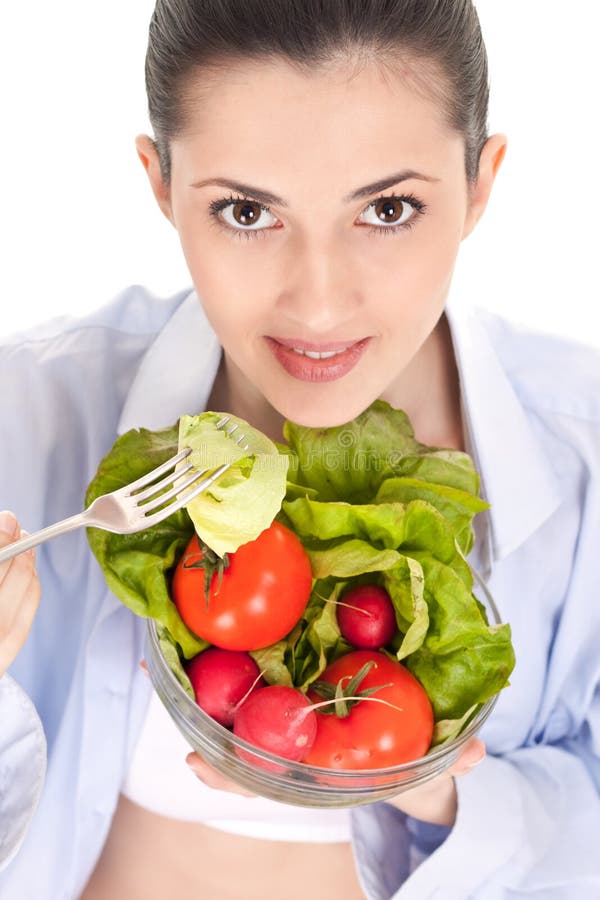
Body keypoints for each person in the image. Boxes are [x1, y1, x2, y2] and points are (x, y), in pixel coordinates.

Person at [1, 1, 599, 897]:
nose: (318, 305)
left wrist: (435, 793)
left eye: (388, 208)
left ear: (482, 182)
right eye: (246, 211)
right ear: (160, 183)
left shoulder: (584, 449)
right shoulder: (29, 416)